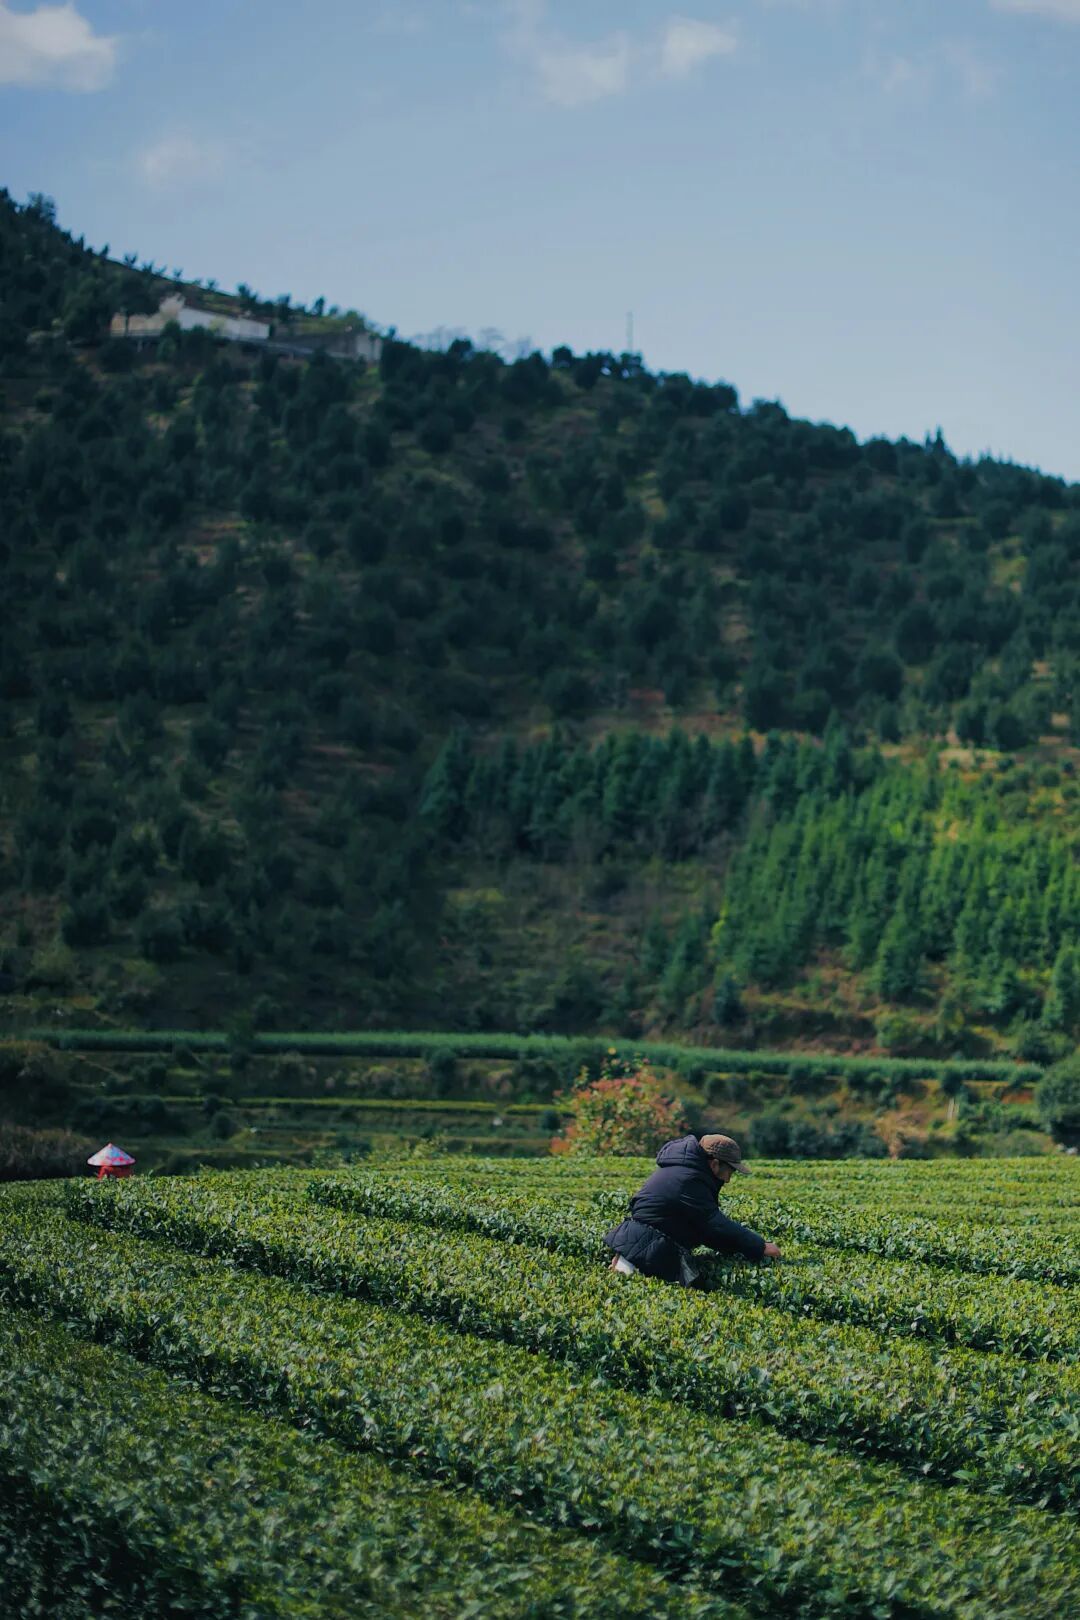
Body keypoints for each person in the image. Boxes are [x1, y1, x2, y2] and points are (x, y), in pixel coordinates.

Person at [603, 1132, 781, 1285]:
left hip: (642, 1236)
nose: (728, 1179)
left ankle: (626, 1259)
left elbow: (707, 1230)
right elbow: (716, 1224)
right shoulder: (690, 1180)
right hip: (650, 1244)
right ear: (714, 1164)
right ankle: (627, 1262)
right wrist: (760, 1246)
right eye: (730, 1171)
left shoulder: (684, 1171)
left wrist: (741, 1249)